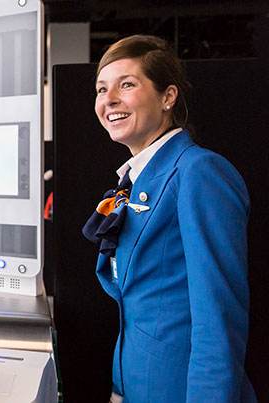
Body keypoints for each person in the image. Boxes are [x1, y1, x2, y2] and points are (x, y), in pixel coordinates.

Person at [83, 35, 256, 402]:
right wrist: (119, 388)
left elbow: (218, 318)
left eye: (126, 84)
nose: (108, 99)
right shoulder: (136, 181)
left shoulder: (199, 172)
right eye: (102, 89)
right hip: (135, 385)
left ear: (167, 97)